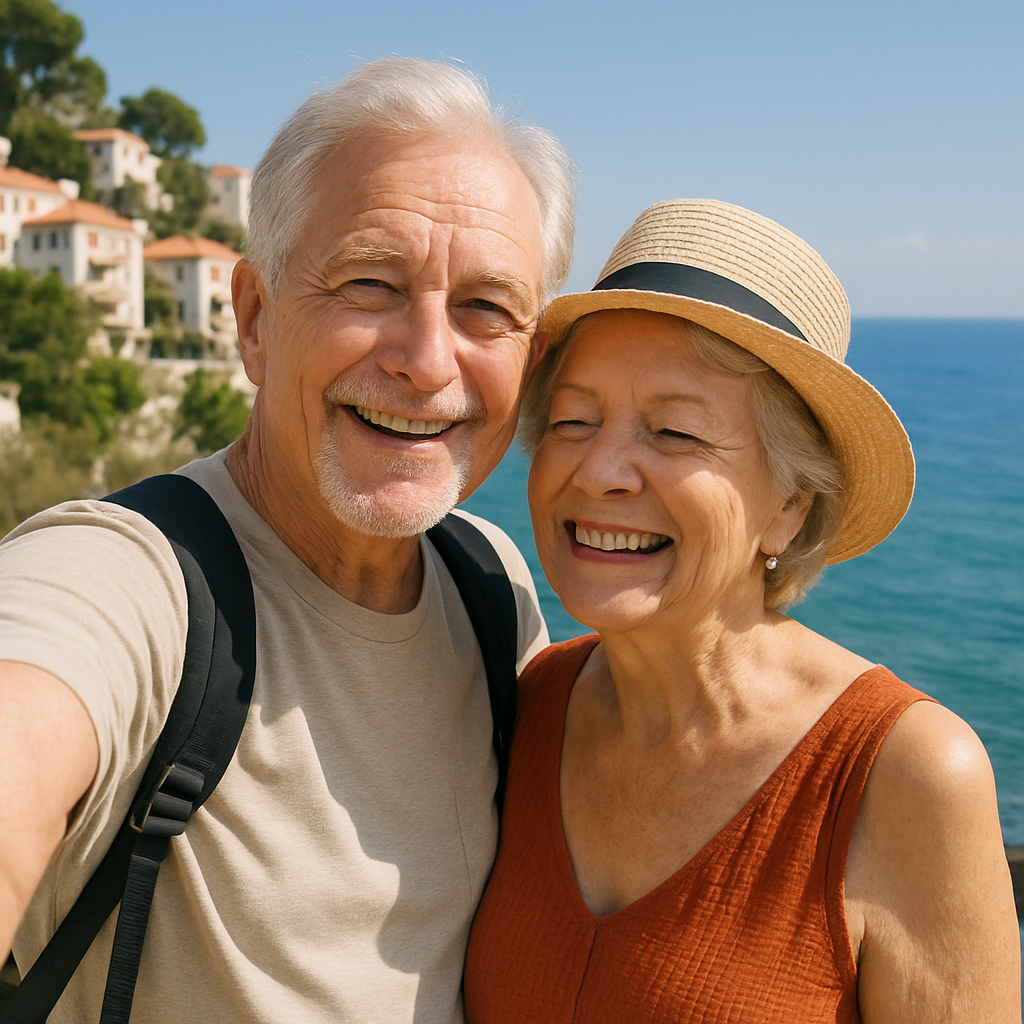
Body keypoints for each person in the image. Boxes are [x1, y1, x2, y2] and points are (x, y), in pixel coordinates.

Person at [0, 57, 575, 1022]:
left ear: (533, 358)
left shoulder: (489, 585)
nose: (428, 360)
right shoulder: (123, 579)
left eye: (485, 307)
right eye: (370, 283)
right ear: (257, 321)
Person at [464, 199, 1021, 1022]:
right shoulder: (530, 700)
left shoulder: (905, 773)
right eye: (573, 420)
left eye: (675, 433)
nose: (601, 470)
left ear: (790, 505)